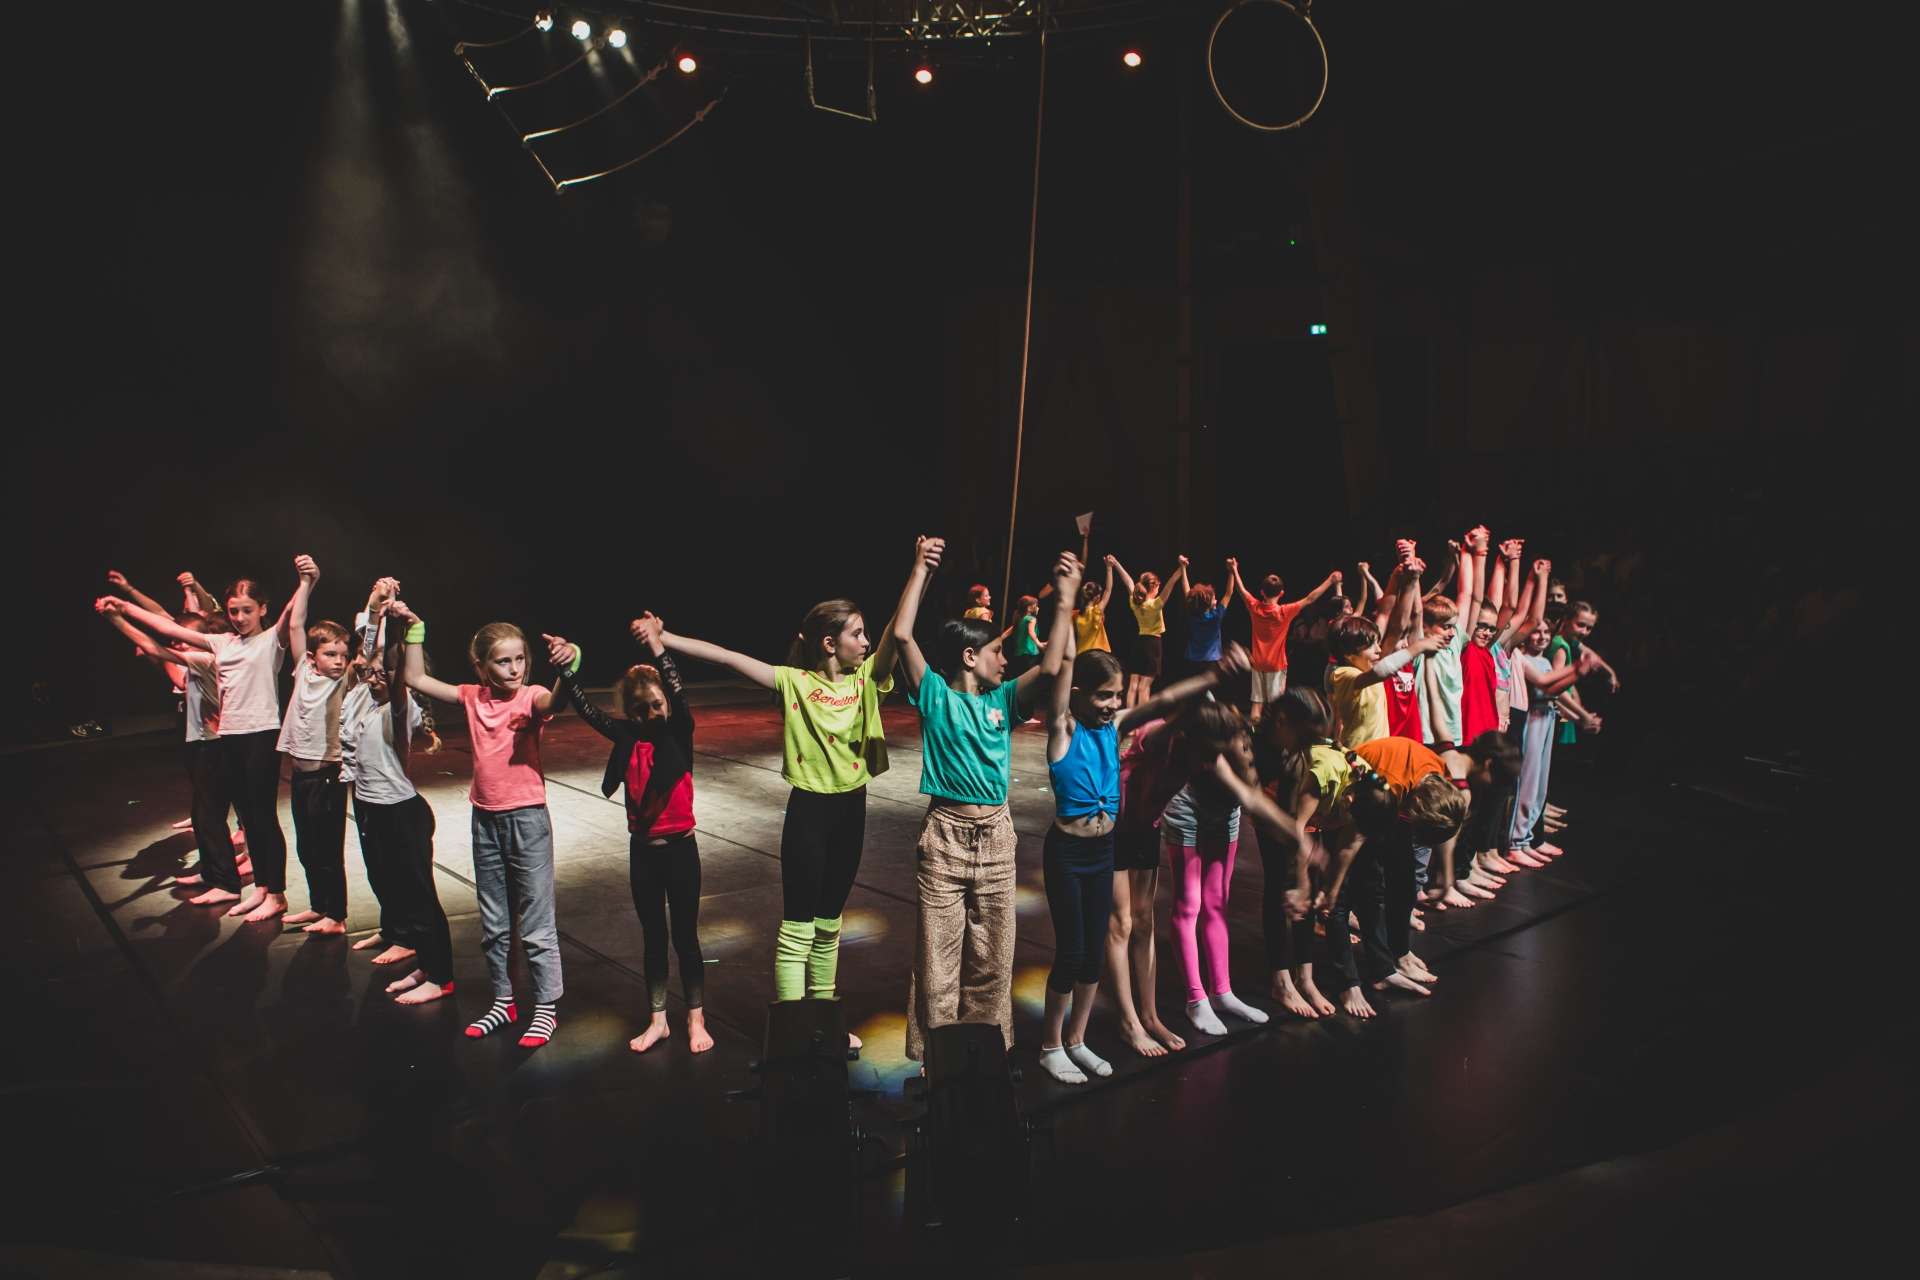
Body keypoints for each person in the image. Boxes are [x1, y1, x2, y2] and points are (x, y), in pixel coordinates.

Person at [656, 558, 923, 1057]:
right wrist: (665, 637)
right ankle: (791, 1029)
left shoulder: (868, 680)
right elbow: (727, 657)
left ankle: (824, 1020)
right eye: (856, 634)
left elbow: (896, 634)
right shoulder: (795, 683)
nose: (866, 643)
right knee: (798, 925)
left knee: (830, 923)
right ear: (829, 643)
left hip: (852, 810)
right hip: (810, 815)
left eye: (866, 635)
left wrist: (918, 570)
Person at [893, 538, 1073, 1064]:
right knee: (938, 961)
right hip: (945, 837)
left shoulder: (1004, 700)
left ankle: (983, 1061)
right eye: (996, 651)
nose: (1006, 657)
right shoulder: (935, 695)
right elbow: (903, 633)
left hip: (996, 837)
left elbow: (1055, 662)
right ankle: (938, 1065)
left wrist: (1064, 600)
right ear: (970, 657)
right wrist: (920, 569)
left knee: (994, 959)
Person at [391, 598, 579, 1048]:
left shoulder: (532, 696)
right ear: (481, 666)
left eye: (520, 660)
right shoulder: (473, 697)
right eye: (503, 661)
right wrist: (416, 628)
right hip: (486, 820)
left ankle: (546, 1007)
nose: (514, 669)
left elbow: (556, 699)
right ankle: (503, 999)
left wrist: (569, 667)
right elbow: (414, 678)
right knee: (495, 922)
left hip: (528, 821)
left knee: (536, 922)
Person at [103, 560, 314, 919]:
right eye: (234, 611)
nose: (240, 617)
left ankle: (276, 893)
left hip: (260, 735)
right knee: (247, 816)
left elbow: (293, 615)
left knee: (262, 817)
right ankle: (262, 887)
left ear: (262, 609)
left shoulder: (269, 641)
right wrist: (125, 608)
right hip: (230, 737)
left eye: (247, 610)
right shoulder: (221, 643)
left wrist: (308, 580)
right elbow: (167, 627)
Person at [570, 612, 714, 1054]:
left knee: (686, 937)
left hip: (680, 852)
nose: (652, 713)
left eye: (657, 705)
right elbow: (586, 709)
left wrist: (657, 644)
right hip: (644, 855)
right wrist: (565, 669)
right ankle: (658, 1021)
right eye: (641, 709)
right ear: (630, 714)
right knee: (653, 937)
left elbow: (676, 688)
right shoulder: (628, 738)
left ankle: (696, 1019)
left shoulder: (679, 733)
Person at [339, 584, 455, 1006]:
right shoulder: (359, 699)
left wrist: (409, 629)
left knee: (420, 896)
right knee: (395, 892)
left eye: (382, 673)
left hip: (402, 813)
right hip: (372, 811)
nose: (372, 675)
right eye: (369, 672)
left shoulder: (397, 711)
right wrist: (374, 611)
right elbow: (365, 652)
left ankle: (441, 976)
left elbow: (402, 674)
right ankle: (425, 963)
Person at [1235, 557, 1340, 725]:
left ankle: (1254, 738)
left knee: (1256, 705)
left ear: (1262, 592)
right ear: (1281, 593)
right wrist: (1330, 580)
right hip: (1276, 665)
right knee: (1276, 707)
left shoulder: (1254, 607)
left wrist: (1234, 570)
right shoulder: (1284, 612)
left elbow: (1241, 590)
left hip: (1257, 662)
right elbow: (1310, 599)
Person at [1111, 553, 1187, 708]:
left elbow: (1128, 581)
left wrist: (1116, 563)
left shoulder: (1135, 603)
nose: (1159, 588)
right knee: (1144, 687)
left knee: (1133, 685)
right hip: (1153, 645)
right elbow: (1171, 584)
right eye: (1158, 586)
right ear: (1153, 587)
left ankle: (1129, 721)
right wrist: (1181, 567)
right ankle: (1140, 722)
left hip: (1139, 643)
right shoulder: (1155, 605)